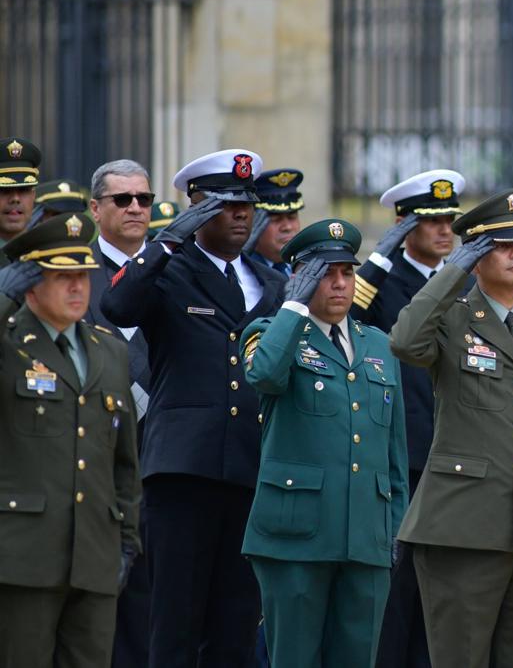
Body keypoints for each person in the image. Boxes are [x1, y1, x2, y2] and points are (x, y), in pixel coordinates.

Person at [100, 148, 287, 668]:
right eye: (226, 204)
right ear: (197, 207)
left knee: (235, 627)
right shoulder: (168, 271)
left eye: (248, 202)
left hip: (251, 471)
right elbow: (116, 307)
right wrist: (168, 239)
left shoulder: (271, 283)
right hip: (184, 470)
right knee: (175, 625)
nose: (242, 213)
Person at [389, 189, 513, 668]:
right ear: (475, 256)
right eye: (501, 244)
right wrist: (452, 271)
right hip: (463, 530)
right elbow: (406, 341)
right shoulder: (452, 319)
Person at [240, 218, 408, 668]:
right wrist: (293, 306)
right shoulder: (269, 331)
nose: (339, 283)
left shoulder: (377, 343)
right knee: (293, 658)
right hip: (296, 536)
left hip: (365, 537)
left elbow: (394, 449)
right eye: (325, 272)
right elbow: (265, 375)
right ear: (299, 276)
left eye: (346, 273)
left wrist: (394, 526)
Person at [0, 214, 141, 667]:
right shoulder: (9, 343)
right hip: (22, 558)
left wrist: (126, 541)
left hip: (95, 557)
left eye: (82, 275)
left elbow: (125, 461)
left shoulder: (109, 351)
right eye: (62, 277)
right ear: (31, 284)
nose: (78, 287)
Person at [355, 168, 466, 668]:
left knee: (442, 598)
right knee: (393, 596)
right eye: (430, 221)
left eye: (450, 220)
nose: (445, 230)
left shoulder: (461, 283)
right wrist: (380, 255)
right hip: (400, 457)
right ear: (403, 225)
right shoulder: (381, 282)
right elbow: (348, 319)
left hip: (455, 458)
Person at [83, 158, 156, 668]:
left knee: (158, 613)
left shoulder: (176, 270)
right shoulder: (74, 271)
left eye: (144, 200)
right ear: (95, 208)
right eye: (122, 199)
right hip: (96, 465)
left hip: (164, 465)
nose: (135, 208)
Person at [244, 168, 305, 277]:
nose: (287, 227)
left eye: (292, 217)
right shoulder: (242, 271)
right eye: (275, 219)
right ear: (254, 222)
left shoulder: (305, 266)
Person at [0, 137, 42, 258]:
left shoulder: (48, 256)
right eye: (4, 190)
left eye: (24, 190)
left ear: (33, 196)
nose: (15, 198)